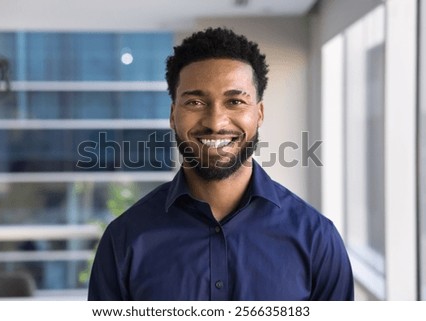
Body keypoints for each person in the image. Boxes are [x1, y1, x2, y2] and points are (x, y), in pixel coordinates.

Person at [88, 27, 354, 301]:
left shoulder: (318, 240)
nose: (215, 122)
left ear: (259, 113)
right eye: (194, 102)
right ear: (172, 115)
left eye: (235, 101)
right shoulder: (124, 239)